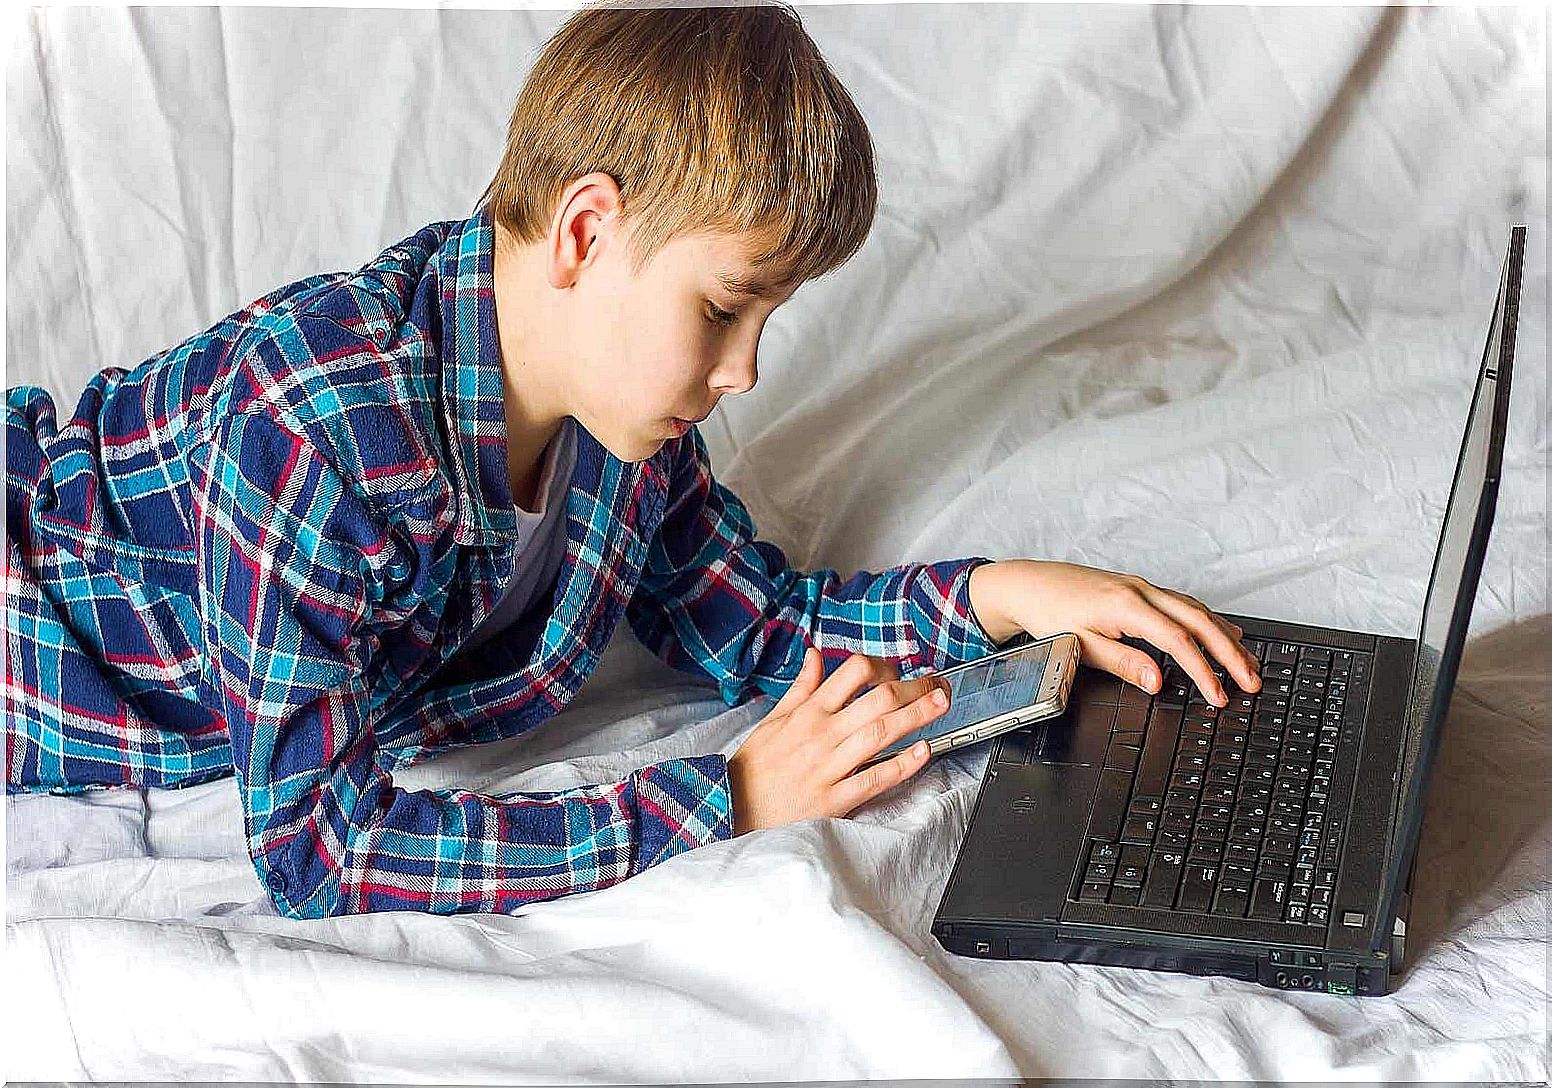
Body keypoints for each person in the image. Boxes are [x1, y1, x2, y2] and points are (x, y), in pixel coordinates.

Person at [4, 2, 1259, 919]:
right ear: (586, 230)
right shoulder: (320, 427)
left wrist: (1008, 597)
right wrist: (730, 797)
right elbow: (317, 851)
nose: (744, 372)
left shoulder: (621, 429)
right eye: (723, 311)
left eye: (768, 324)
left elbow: (759, 624)